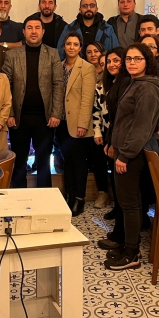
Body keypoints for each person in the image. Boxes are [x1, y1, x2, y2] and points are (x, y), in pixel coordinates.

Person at [105, 43, 159, 270]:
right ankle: (128, 245)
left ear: (147, 61)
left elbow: (141, 127)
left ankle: (132, 254)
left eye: (137, 59)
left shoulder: (147, 88)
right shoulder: (135, 83)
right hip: (124, 149)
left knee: (129, 204)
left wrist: (125, 155)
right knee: (128, 201)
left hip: (132, 153)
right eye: (129, 59)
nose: (132, 62)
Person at [2, 15, 64, 188]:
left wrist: (56, 113)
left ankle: (44, 197)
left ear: (43, 32)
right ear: (24, 32)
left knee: (44, 160)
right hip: (19, 118)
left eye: (37, 28)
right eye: (30, 28)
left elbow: (58, 84)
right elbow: (6, 85)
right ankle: (19, 196)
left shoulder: (52, 54)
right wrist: (10, 113)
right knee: (19, 160)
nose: (33, 31)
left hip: (45, 118)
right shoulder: (12, 55)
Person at [56, 32, 95, 217]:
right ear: (64, 46)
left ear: (80, 48)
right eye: (68, 44)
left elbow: (87, 99)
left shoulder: (87, 68)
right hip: (61, 122)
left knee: (79, 162)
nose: (71, 47)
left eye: (75, 44)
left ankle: (79, 198)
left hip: (79, 123)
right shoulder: (59, 66)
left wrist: (83, 124)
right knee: (67, 161)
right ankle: (69, 196)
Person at [91, 47, 124, 219]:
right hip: (106, 133)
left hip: (122, 136)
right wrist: (98, 132)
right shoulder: (102, 86)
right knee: (113, 172)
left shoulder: (128, 84)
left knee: (122, 176)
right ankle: (117, 208)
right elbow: (96, 110)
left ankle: (124, 211)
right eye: (107, 62)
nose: (111, 65)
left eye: (115, 61)